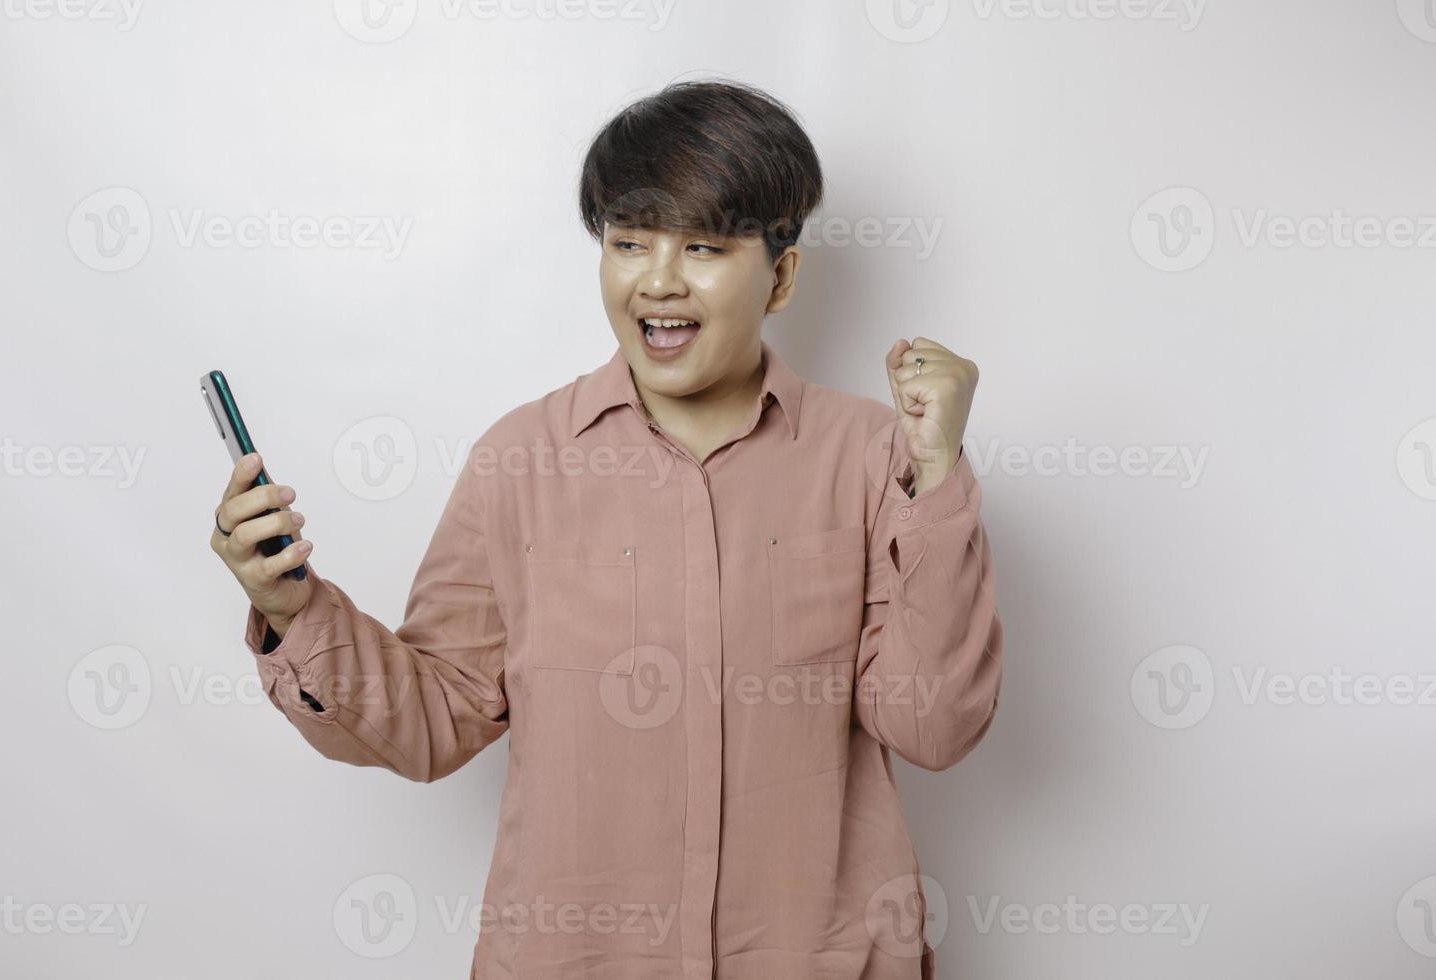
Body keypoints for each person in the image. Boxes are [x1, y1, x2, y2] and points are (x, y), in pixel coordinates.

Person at [209, 78, 1002, 980]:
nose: (658, 280)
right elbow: (436, 718)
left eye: (704, 246)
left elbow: (935, 726)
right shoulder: (520, 461)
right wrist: (293, 609)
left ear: (782, 274)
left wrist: (938, 475)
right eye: (629, 243)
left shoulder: (870, 455)